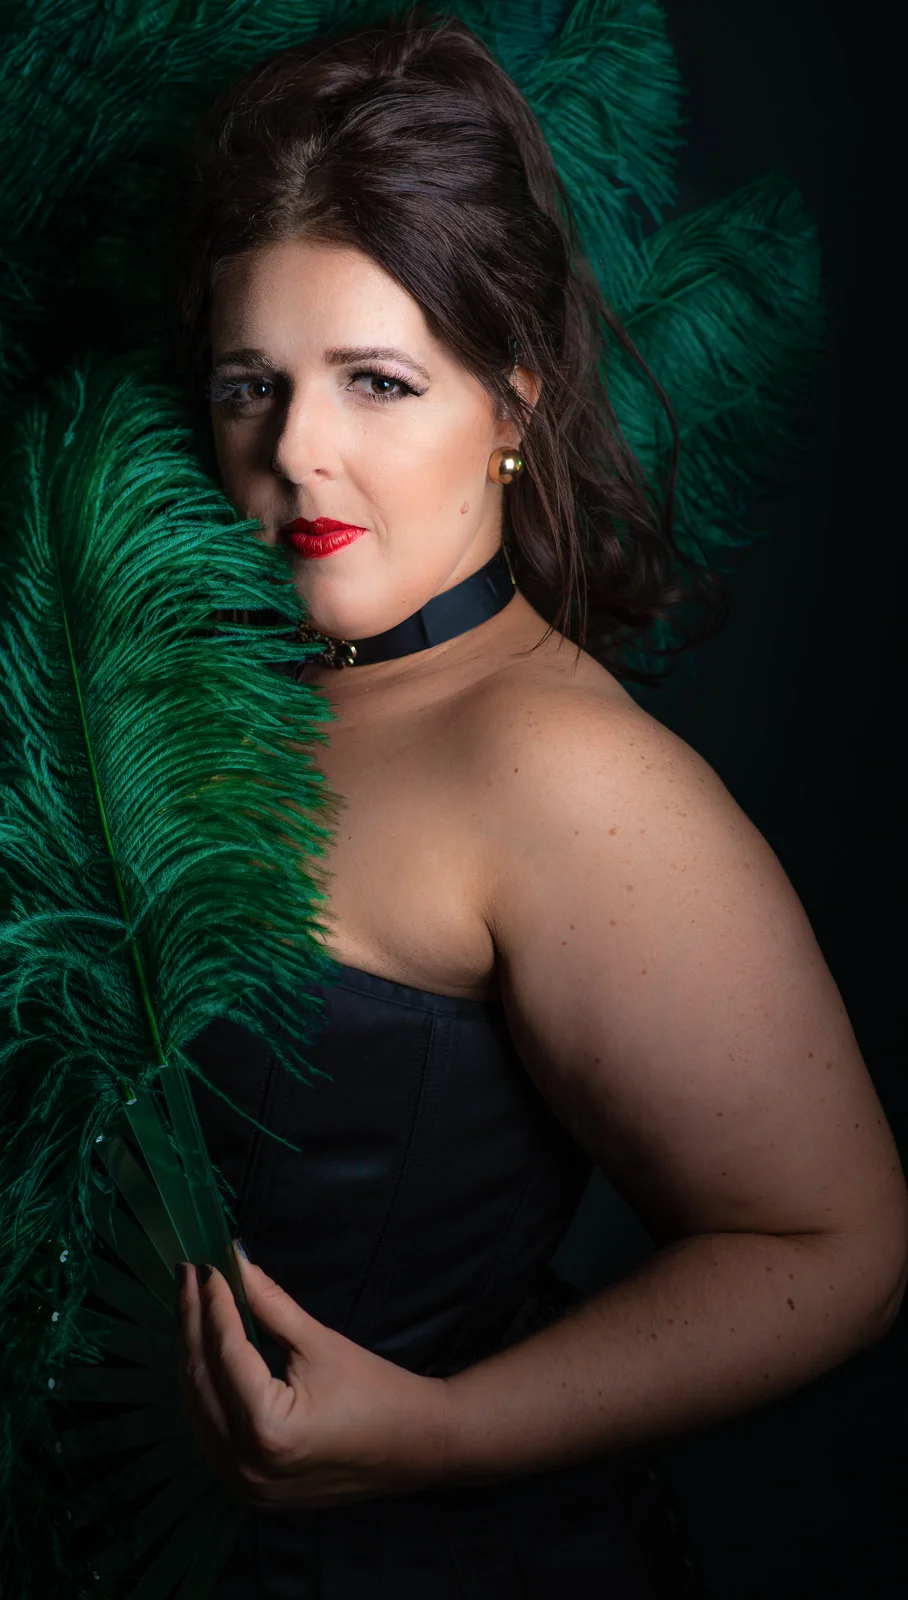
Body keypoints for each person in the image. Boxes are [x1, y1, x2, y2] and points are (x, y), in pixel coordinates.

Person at [157, 10, 908, 1597]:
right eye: (249, 385)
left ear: (511, 403)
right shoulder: (194, 681)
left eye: (377, 380)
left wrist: (438, 1432)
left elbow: (836, 1251)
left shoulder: (567, 777)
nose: (296, 451)